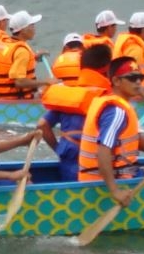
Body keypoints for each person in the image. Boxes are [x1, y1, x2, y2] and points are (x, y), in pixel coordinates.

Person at [79, 57, 144, 204]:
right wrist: (115, 191)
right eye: (132, 78)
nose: (138, 82)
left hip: (101, 174)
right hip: (103, 179)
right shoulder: (116, 111)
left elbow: (136, 140)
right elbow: (103, 150)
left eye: (140, 77)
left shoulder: (115, 104)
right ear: (116, 81)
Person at [38, 44, 113, 182]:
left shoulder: (68, 95)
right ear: (107, 69)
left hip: (68, 160)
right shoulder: (105, 99)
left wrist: (58, 148)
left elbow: (42, 125)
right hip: (92, 166)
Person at [0, 10, 48, 99]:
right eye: (32, 26)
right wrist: (46, 82)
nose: (34, 29)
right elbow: (19, 82)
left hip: (1, 99)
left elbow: (11, 61)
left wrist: (34, 57)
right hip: (17, 101)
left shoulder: (4, 43)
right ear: (23, 30)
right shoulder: (22, 51)